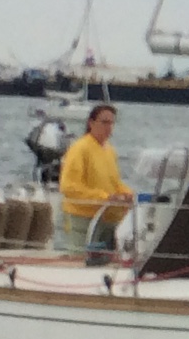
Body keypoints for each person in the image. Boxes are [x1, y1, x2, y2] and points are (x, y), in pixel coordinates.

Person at [57, 100, 134, 254]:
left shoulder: (109, 150)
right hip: (82, 217)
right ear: (91, 123)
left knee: (107, 259)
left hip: (108, 217)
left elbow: (114, 182)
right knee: (80, 259)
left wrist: (127, 194)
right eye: (104, 122)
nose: (109, 127)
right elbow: (68, 186)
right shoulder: (80, 148)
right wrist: (104, 197)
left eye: (112, 123)